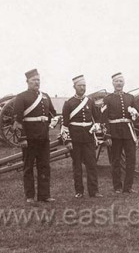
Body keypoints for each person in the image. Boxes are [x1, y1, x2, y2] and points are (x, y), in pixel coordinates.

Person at [13, 69, 56, 203]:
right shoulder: (21, 97)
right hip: (29, 138)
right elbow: (17, 121)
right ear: (27, 82)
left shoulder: (45, 96)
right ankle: (30, 196)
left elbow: (52, 114)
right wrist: (22, 138)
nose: (36, 82)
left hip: (43, 137)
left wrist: (51, 122)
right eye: (33, 80)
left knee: (44, 166)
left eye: (38, 80)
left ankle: (44, 195)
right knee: (28, 167)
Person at [61, 75, 103, 198]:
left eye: (84, 85)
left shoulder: (90, 101)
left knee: (91, 165)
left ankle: (94, 191)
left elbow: (97, 118)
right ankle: (79, 191)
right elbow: (65, 124)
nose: (82, 88)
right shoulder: (69, 103)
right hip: (75, 139)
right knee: (77, 165)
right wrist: (67, 140)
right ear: (74, 87)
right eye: (80, 85)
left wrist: (96, 127)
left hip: (88, 138)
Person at [101, 72, 139, 194]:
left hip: (128, 133)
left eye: (121, 81)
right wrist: (107, 136)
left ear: (124, 83)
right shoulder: (108, 99)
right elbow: (103, 119)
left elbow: (136, 116)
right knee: (115, 161)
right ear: (113, 83)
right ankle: (117, 187)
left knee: (131, 160)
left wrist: (137, 127)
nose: (119, 83)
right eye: (116, 81)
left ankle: (128, 187)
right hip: (114, 133)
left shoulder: (130, 98)